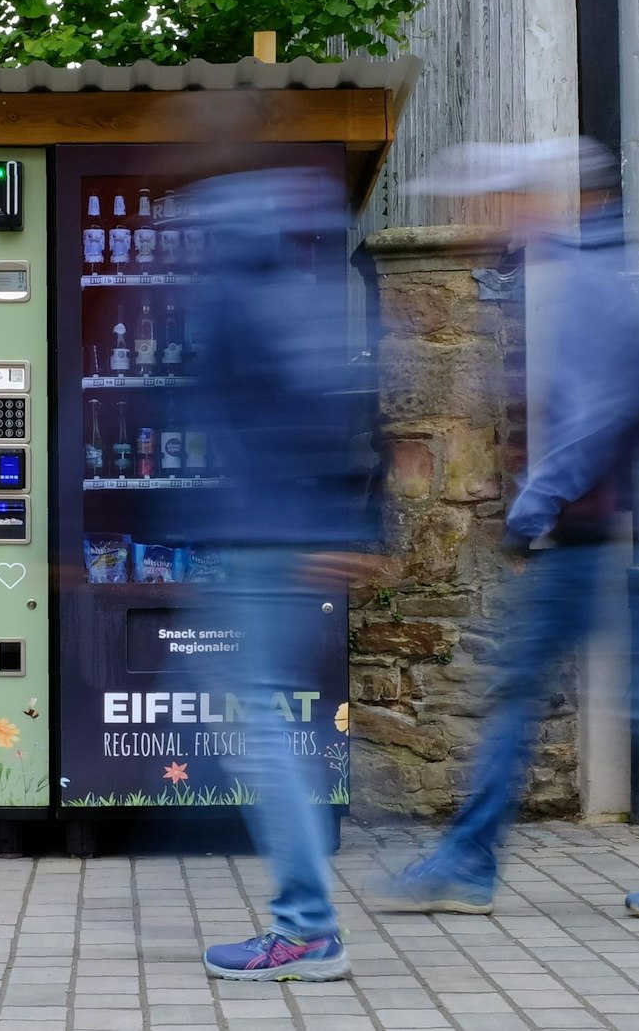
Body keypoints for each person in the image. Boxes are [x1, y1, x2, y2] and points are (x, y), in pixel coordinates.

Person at [373, 138, 639, 919]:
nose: (483, 218)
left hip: (581, 534)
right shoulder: (584, 274)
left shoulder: (583, 283)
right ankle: (476, 860)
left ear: (546, 199)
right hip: (591, 529)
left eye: (496, 201)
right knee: (590, 696)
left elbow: (591, 417)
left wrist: (530, 511)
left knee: (608, 698)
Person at [173, 166, 386, 982]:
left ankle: (305, 929)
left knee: (257, 730)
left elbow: (210, 413)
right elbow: (350, 408)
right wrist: (351, 522)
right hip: (289, 540)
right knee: (260, 727)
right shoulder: (304, 295)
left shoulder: (234, 295)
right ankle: (308, 918)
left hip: (256, 541)